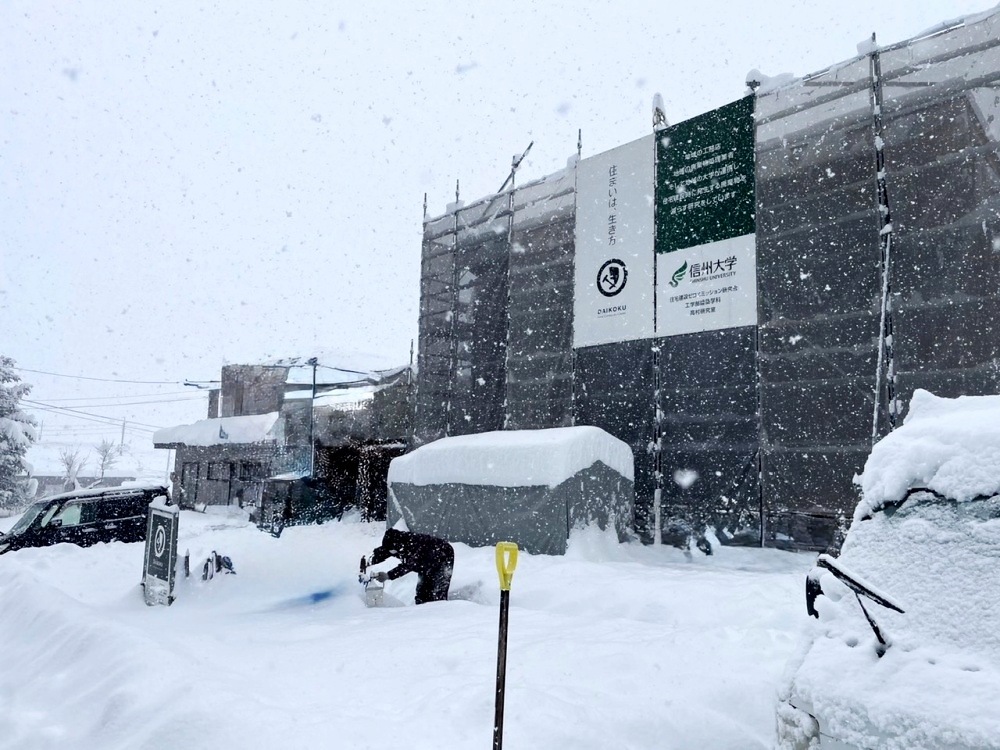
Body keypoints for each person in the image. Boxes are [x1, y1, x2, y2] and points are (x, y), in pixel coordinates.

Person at [368, 528, 454, 604]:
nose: (391, 553)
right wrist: (369, 561)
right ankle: (421, 610)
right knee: (422, 593)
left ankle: (440, 612)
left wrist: (388, 575)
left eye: (392, 550)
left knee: (438, 591)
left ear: (398, 546)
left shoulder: (414, 545)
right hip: (425, 561)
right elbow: (385, 551)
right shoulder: (396, 543)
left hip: (443, 556)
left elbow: (408, 566)